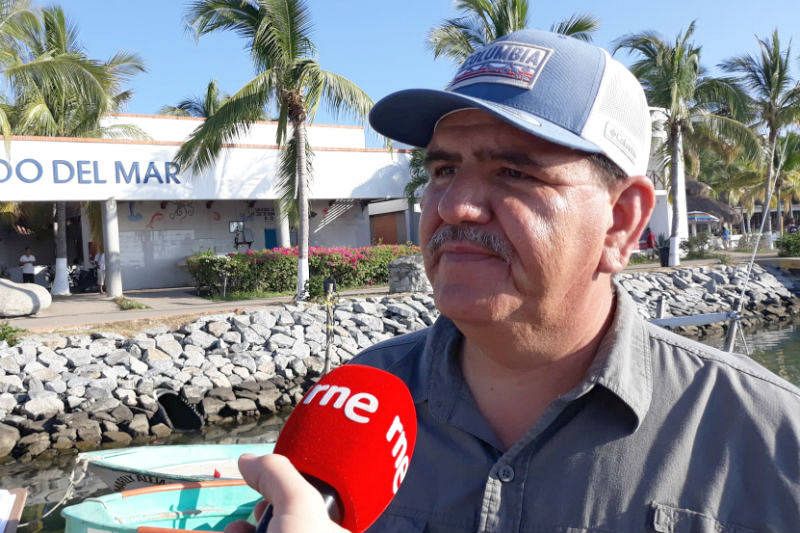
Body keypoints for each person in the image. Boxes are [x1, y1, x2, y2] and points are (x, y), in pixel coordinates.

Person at [232, 30, 800, 532]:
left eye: (514, 172)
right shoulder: (352, 406)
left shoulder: (770, 438)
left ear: (621, 220)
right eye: (443, 170)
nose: (455, 206)